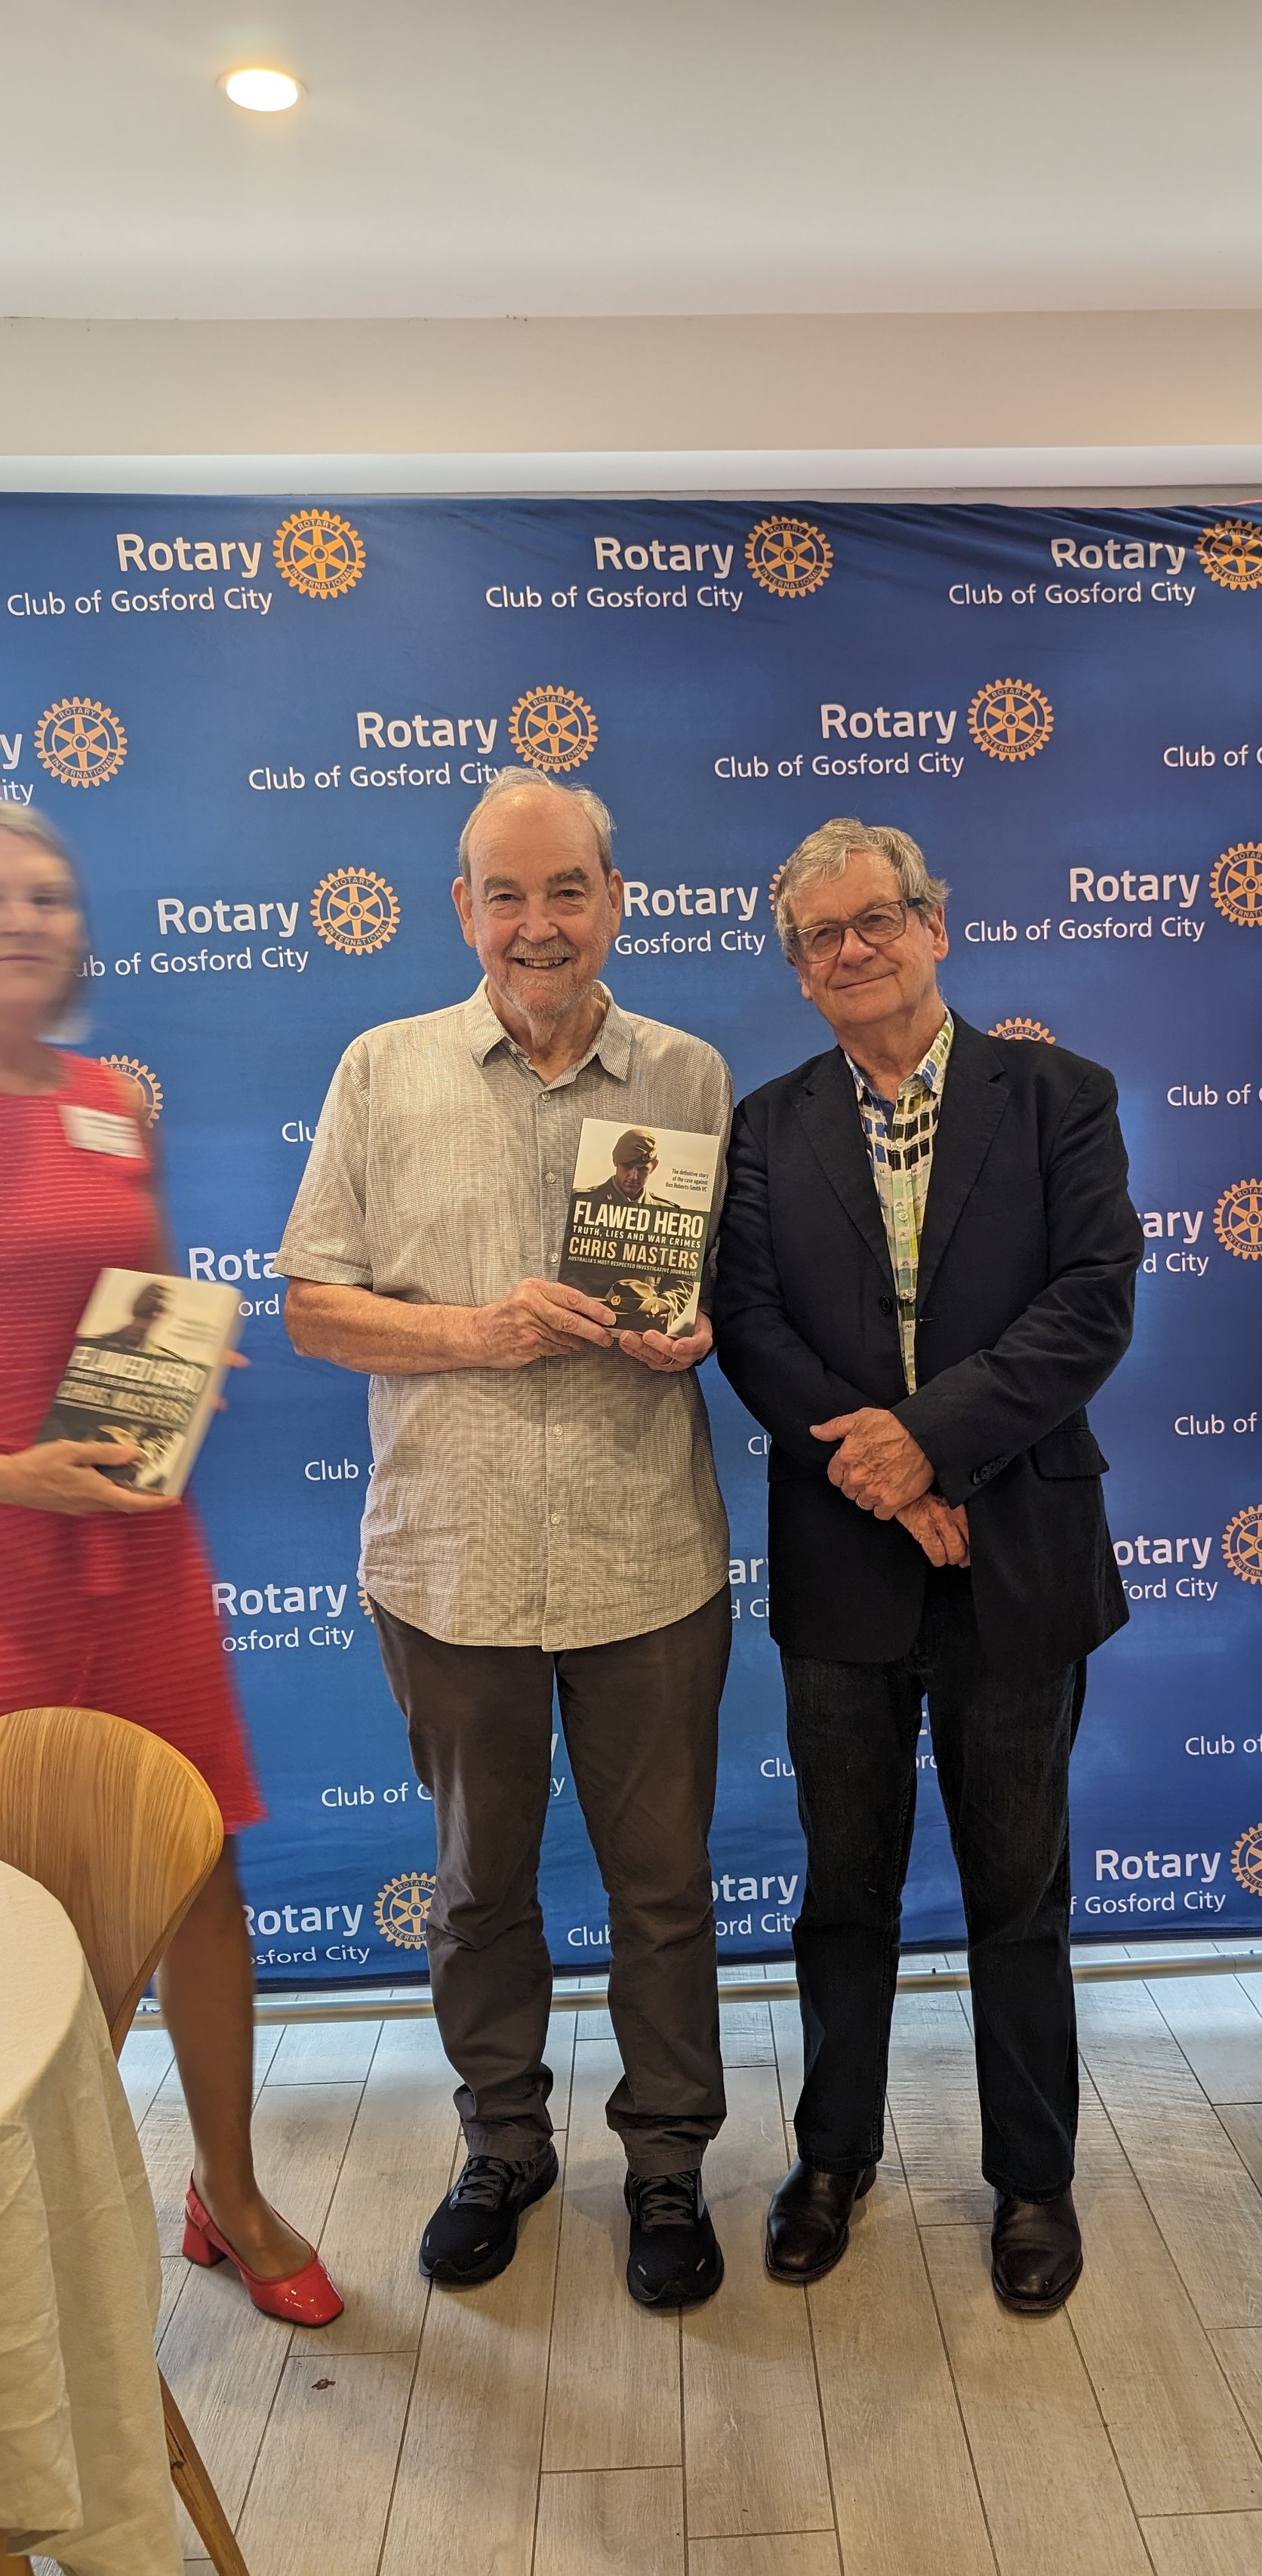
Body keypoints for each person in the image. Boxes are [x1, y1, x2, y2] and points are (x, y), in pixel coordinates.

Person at [279, 769, 734, 2310]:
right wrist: (476, 1334)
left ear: (618, 901)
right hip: (449, 1557)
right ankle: (505, 2144)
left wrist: (692, 1336)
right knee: (480, 1885)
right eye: (506, 894)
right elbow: (308, 1305)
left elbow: (736, 1290)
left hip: (644, 1555)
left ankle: (668, 2163)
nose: (538, 926)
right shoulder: (379, 1070)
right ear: (460, 906)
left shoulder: (690, 1076)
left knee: (663, 1884)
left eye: (567, 892)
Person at [713, 818, 1140, 2313]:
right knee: (844, 1887)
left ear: (934, 924)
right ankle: (833, 2157)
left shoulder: (1059, 1098)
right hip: (845, 1561)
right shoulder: (764, 1129)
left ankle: (1033, 2183)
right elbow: (754, 1332)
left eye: (875, 920)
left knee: (1019, 1888)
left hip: (1018, 1550)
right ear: (801, 970)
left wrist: (934, 1447)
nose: (852, 951)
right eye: (820, 938)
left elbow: (1092, 1304)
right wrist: (886, 1482)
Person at [0, 806, 342, 2327]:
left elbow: (123, 1300)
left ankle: (231, 2187)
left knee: (201, 1878)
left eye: (51, 893)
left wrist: (174, 1378)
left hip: (138, 1557)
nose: (24, 914)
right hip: (5, 1561)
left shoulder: (103, 1102)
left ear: (84, 932)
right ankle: (35, 2235)